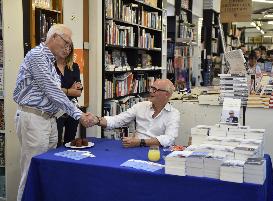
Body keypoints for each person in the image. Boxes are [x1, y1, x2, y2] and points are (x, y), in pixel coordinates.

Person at [13, 24, 98, 201]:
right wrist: (79, 115)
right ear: (53, 38)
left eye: (70, 45)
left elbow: (55, 93)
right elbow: (54, 91)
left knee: (46, 169)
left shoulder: (50, 61)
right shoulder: (37, 56)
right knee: (31, 172)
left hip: (48, 120)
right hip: (34, 118)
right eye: (66, 43)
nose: (68, 48)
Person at [97, 79, 180, 148]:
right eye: (151, 88)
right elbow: (118, 120)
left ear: (167, 94)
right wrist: (97, 120)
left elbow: (169, 139)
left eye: (155, 90)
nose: (151, 92)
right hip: (135, 148)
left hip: (157, 151)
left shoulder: (173, 114)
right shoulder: (140, 106)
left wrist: (140, 142)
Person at [55, 43, 83, 147]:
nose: (66, 50)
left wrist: (63, 90)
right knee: (55, 142)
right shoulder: (50, 67)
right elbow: (52, 90)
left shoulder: (74, 66)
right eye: (64, 47)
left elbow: (78, 92)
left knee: (70, 142)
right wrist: (70, 90)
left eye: (69, 48)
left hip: (72, 108)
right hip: (56, 109)